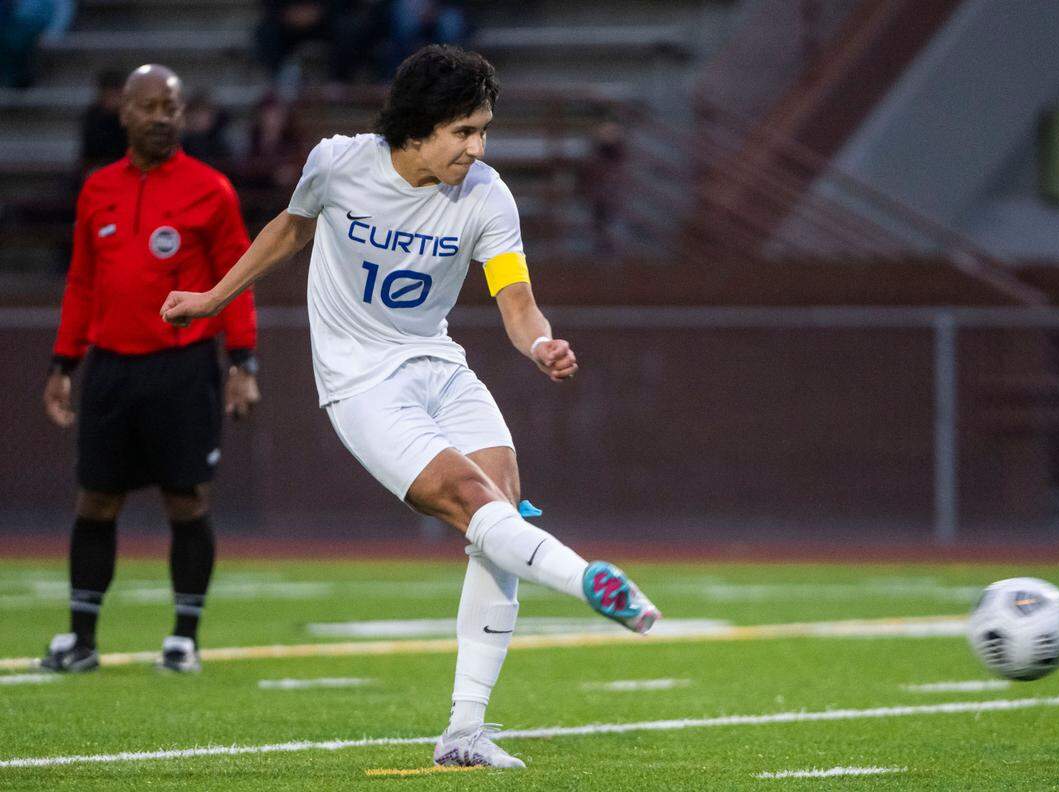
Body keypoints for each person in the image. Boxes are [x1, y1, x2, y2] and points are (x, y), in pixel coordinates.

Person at [160, 45, 659, 768]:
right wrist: (211, 298)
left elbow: (516, 299)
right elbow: (289, 231)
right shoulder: (337, 163)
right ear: (419, 128)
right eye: (464, 131)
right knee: (469, 499)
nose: (477, 147)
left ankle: (463, 734)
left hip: (439, 367)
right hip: (360, 381)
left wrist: (540, 344)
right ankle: (590, 581)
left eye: (484, 129)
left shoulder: (487, 194)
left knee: (505, 512)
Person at [42, 64, 260, 675]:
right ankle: (81, 640)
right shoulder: (96, 190)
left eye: (172, 106)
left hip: (184, 368)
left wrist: (243, 361)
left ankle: (183, 638)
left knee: (186, 501)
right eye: (150, 106)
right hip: (110, 369)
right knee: (96, 502)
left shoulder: (211, 189)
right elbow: (82, 283)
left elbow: (236, 281)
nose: (162, 117)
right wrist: (63, 363)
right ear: (125, 114)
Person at [78, 69, 129, 178]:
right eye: (109, 95)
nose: (113, 99)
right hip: (100, 165)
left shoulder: (131, 116)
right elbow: (90, 149)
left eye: (116, 94)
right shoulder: (94, 116)